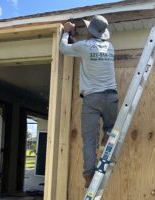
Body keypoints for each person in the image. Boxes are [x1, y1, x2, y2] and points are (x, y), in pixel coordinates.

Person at [59, 15, 118, 188]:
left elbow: (64, 49)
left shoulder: (84, 46)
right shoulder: (109, 47)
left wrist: (67, 33)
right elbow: (87, 51)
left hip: (92, 99)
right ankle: (107, 136)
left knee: (90, 141)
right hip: (112, 97)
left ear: (90, 32)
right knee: (110, 128)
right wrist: (75, 40)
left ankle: (89, 176)